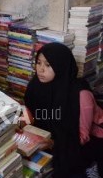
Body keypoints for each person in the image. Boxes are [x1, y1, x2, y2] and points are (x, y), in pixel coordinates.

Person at [24, 42, 103, 177]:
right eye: (39, 63)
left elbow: (83, 137)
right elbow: (32, 114)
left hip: (88, 139)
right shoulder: (35, 85)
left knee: (65, 165)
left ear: (61, 66)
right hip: (53, 135)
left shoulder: (81, 95)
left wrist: (54, 143)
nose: (41, 69)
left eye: (48, 65)